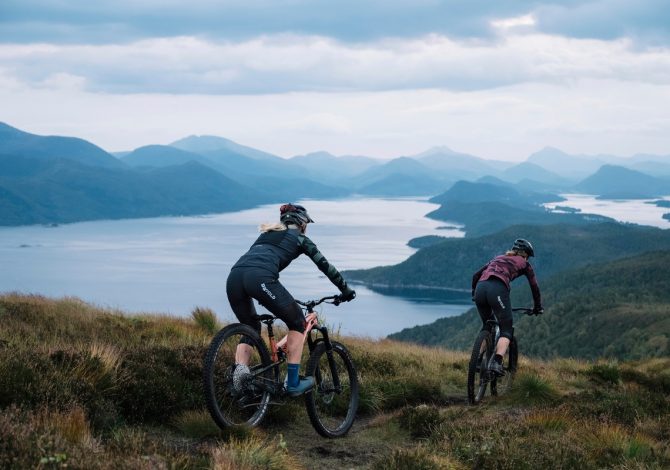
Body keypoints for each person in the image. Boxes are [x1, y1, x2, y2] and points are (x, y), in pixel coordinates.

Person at [227, 203, 356, 396]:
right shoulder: (300, 238)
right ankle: (293, 383)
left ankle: (240, 380)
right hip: (261, 279)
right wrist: (346, 290)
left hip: (234, 279)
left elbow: (257, 261)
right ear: (302, 223)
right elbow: (325, 266)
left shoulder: (265, 235)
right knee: (297, 322)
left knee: (251, 327)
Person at [471, 238, 543, 376]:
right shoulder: (525, 264)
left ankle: (477, 360)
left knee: (488, 324)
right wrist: (537, 306)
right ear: (525, 255)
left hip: (481, 287)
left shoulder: (498, 258)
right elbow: (534, 286)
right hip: (497, 289)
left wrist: (474, 293)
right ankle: (497, 362)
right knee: (506, 329)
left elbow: (476, 275)